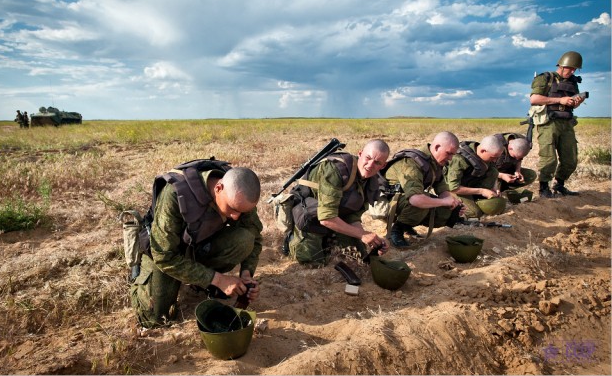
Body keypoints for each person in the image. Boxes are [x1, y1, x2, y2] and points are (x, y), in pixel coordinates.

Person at [130, 161, 263, 328]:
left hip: (199, 244)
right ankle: (137, 277)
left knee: (245, 239)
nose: (235, 217)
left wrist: (246, 274)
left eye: (241, 212)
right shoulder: (176, 194)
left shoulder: (239, 194)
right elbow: (164, 256)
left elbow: (255, 236)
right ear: (218, 188)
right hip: (167, 253)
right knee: (153, 318)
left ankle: (198, 281)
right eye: (232, 209)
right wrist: (217, 279)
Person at [286, 139, 390, 267]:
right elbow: (326, 218)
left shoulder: (372, 182)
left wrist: (373, 241)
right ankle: (293, 239)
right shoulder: (336, 170)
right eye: (368, 158)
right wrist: (362, 234)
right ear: (360, 153)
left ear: (383, 165)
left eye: (377, 162)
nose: (370, 165)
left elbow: (354, 215)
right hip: (310, 214)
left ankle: (329, 238)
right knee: (313, 263)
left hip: (334, 213)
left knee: (357, 257)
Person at [382, 131, 465, 248]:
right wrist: (443, 202)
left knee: (449, 210)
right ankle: (396, 230)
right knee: (420, 205)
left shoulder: (435, 164)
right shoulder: (412, 163)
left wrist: (453, 204)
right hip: (388, 201)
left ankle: (407, 225)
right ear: (436, 147)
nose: (450, 158)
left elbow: (442, 189)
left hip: (407, 199)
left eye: (453, 155)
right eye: (449, 153)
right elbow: (415, 200)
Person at [530, 51, 585, 197]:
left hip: (566, 123)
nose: (572, 71)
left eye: (575, 69)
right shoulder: (545, 78)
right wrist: (559, 100)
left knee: (570, 159)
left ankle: (559, 185)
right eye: (570, 68)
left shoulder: (573, 81)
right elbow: (534, 99)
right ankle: (543, 188)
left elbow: (571, 105)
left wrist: (576, 102)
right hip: (548, 122)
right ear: (561, 65)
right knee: (549, 158)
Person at [444, 135, 505, 219]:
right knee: (475, 213)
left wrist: (495, 188)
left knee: (494, 172)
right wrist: (481, 191)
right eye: (493, 158)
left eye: (497, 158)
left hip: (469, 182)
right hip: (453, 188)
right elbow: (453, 187)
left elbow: (493, 170)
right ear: (483, 151)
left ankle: (475, 199)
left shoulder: (488, 153)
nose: (495, 160)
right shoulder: (459, 159)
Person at [494, 133, 537, 202]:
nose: (517, 159)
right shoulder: (496, 146)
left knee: (530, 175)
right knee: (495, 200)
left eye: (519, 157)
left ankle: (506, 190)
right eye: (514, 157)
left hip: (506, 171)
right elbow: (487, 171)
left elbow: (519, 159)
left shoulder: (522, 142)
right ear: (510, 148)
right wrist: (502, 176)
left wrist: (517, 170)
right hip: (491, 175)